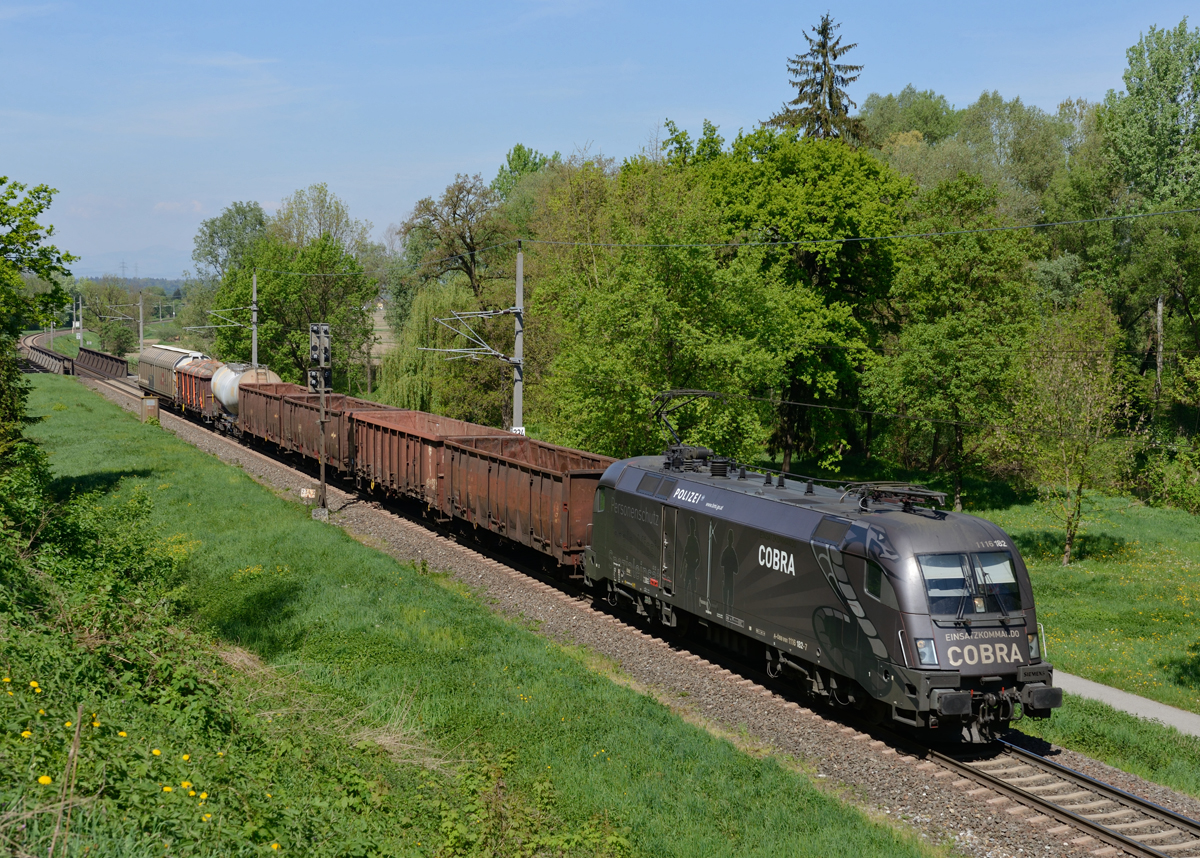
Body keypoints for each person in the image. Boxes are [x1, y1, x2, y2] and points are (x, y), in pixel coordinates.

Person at [720, 529, 739, 610]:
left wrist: (729, 565)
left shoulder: (729, 551)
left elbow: (736, 569)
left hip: (729, 578)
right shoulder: (729, 551)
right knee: (726, 601)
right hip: (728, 578)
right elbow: (722, 562)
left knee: (729, 602)